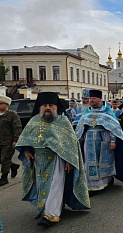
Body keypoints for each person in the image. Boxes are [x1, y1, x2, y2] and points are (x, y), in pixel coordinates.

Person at [15, 92, 90, 227]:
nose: (48, 108)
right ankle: (52, 208)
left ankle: (51, 215)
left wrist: (69, 160)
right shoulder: (34, 121)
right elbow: (26, 139)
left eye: (51, 105)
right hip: (39, 160)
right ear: (40, 107)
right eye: (45, 105)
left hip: (57, 160)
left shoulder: (63, 121)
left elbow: (71, 144)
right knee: (42, 186)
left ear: (56, 107)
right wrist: (26, 151)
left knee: (55, 185)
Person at [75, 90, 123, 192]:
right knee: (89, 162)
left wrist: (113, 141)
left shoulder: (108, 112)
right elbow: (80, 127)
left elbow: (114, 128)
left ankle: (105, 182)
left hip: (104, 140)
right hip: (89, 141)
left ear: (100, 99)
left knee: (103, 162)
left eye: (94, 99)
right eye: (90, 98)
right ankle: (91, 185)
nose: (91, 100)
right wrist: (79, 140)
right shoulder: (87, 112)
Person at [0, 95, 22, 186]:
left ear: (6, 105)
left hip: (8, 141)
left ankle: (4, 177)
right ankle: (13, 166)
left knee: (5, 158)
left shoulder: (12, 115)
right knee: (1, 159)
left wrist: (16, 140)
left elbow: (17, 127)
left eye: (1, 104)